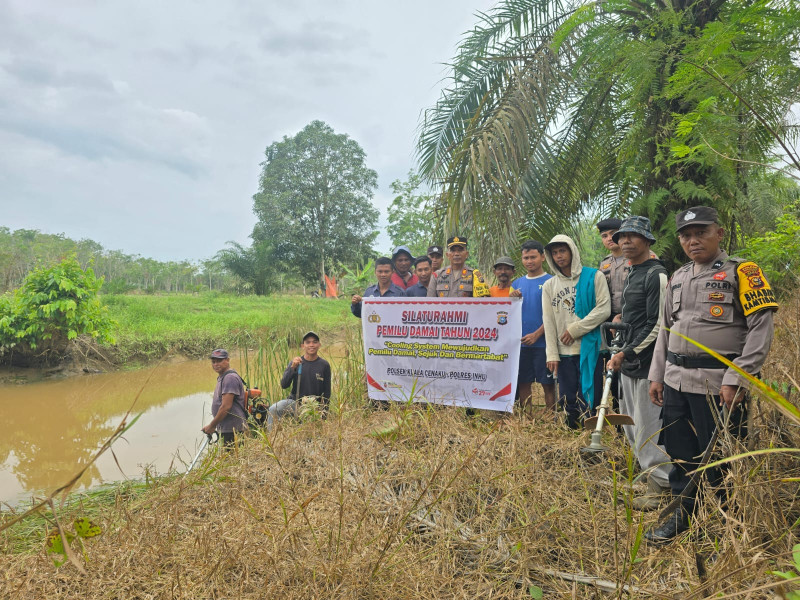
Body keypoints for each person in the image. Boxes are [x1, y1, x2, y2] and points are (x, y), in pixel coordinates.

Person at [645, 206, 778, 544]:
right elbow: (665, 328)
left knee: (720, 455)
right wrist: (656, 374)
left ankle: (725, 524)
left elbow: (760, 329)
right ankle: (685, 513)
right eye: (686, 235)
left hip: (717, 384)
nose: (694, 240)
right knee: (680, 451)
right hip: (675, 380)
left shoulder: (743, 272)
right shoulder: (678, 276)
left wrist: (738, 378)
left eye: (701, 232)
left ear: (718, 233)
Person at [604, 217, 671, 510]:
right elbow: (635, 316)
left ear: (647, 241)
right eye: (622, 237)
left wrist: (626, 353)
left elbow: (658, 325)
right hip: (628, 361)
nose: (626, 241)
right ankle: (646, 477)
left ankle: (662, 486)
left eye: (633, 236)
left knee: (649, 425)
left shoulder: (657, 274)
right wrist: (621, 321)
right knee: (631, 423)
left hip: (647, 364)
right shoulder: (632, 272)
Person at [542, 235, 611, 428]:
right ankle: (571, 434)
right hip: (564, 352)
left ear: (572, 251)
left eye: (562, 251)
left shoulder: (594, 276)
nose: (559, 256)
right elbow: (548, 322)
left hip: (590, 347)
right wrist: (552, 354)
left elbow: (604, 309)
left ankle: (591, 434)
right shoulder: (549, 286)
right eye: (554, 253)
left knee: (590, 396)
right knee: (567, 397)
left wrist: (575, 329)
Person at [511, 240, 556, 415]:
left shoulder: (551, 281)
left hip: (544, 343)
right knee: (523, 381)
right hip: (521, 344)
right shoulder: (516, 284)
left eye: (533, 257)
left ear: (543, 257)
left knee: (548, 383)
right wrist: (511, 299)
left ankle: (552, 417)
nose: (529, 261)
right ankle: (528, 418)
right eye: (525, 258)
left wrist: (537, 334)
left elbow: (554, 315)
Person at [269, 331, 332, 429]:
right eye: (308, 342)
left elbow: (327, 393)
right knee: (273, 409)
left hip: (313, 406)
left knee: (309, 435)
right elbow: (284, 385)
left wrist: (323, 415)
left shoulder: (324, 365)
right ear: (303, 346)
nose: (311, 345)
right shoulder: (296, 362)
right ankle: (271, 439)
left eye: (314, 342)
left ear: (319, 345)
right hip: (295, 403)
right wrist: (293, 368)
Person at [203, 349, 248, 446]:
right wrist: (213, 426)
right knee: (229, 459)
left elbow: (225, 407)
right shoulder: (222, 377)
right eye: (213, 362)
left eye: (219, 361)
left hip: (233, 429)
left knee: (233, 459)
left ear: (227, 360)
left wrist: (212, 425)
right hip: (227, 428)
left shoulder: (229, 378)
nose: (215, 364)